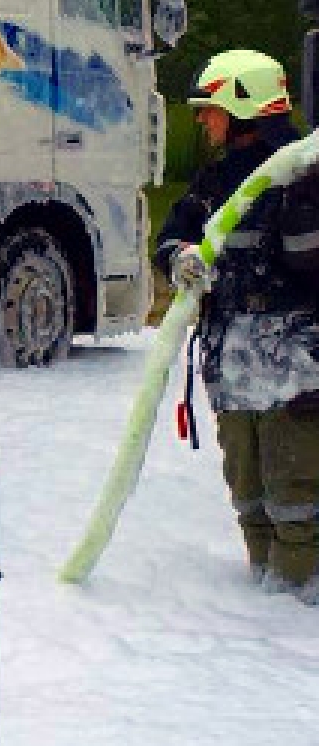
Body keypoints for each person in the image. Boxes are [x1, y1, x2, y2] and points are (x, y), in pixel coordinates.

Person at [155, 48, 319, 596]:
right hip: (234, 360)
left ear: (243, 104)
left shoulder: (301, 172)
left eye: (210, 108)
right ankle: (260, 598)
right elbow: (172, 234)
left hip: (294, 366)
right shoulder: (214, 180)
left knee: (294, 494)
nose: (202, 119)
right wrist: (179, 257)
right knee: (248, 491)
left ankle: (296, 605)